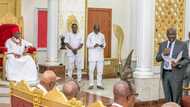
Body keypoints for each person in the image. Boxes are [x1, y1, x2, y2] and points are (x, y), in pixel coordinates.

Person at [156, 28, 188, 103]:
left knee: (176, 98)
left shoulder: (182, 44)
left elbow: (187, 59)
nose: (172, 36)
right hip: (165, 74)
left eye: (173, 34)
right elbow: (157, 58)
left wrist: (178, 64)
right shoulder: (163, 44)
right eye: (170, 34)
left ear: (176, 34)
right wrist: (163, 53)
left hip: (176, 75)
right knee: (167, 97)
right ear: (167, 35)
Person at [86, 24, 106, 90]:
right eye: (96, 29)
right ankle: (91, 84)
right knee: (91, 70)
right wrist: (93, 45)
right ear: (93, 29)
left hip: (100, 55)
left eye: (98, 29)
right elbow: (87, 45)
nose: (97, 31)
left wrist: (102, 45)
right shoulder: (90, 35)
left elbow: (104, 44)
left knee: (100, 71)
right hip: (92, 56)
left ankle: (99, 84)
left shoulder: (102, 35)